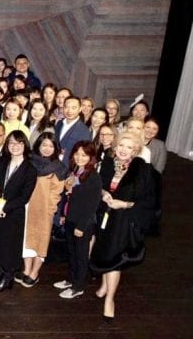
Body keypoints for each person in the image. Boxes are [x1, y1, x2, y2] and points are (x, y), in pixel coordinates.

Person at [91, 131, 155, 321]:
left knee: (113, 257)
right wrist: (104, 194)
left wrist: (124, 204)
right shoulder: (108, 163)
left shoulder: (141, 169)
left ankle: (110, 300)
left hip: (124, 220)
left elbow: (148, 201)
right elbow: (99, 185)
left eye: (129, 147)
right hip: (105, 216)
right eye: (121, 145)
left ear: (135, 150)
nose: (124, 150)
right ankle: (104, 285)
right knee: (103, 251)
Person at [0, 130, 37, 292]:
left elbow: (24, 197)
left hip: (14, 212)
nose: (15, 146)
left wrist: (5, 207)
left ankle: (7, 277)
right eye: (12, 143)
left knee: (9, 246)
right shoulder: (3, 162)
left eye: (19, 143)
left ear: (25, 145)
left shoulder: (30, 169)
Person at [53, 141, 103, 299]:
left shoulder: (93, 177)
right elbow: (68, 196)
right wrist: (63, 214)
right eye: (77, 154)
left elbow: (91, 205)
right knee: (71, 252)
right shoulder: (74, 171)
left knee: (81, 255)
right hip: (70, 218)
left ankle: (78, 286)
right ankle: (71, 279)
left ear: (91, 157)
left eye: (84, 155)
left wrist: (81, 226)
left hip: (83, 223)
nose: (79, 157)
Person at [19, 132, 67, 287]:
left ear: (56, 148)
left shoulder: (58, 167)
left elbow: (57, 192)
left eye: (51, 146)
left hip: (44, 208)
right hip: (26, 205)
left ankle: (34, 273)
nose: (47, 148)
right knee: (26, 239)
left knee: (41, 241)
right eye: (44, 145)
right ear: (38, 145)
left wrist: (50, 210)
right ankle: (27, 269)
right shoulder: (29, 161)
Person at [55, 96, 91, 168]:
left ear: (80, 109)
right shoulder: (59, 124)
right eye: (66, 107)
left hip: (69, 168)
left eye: (73, 108)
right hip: (53, 165)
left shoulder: (84, 131)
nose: (69, 111)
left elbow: (83, 156)